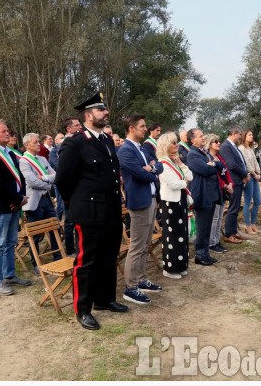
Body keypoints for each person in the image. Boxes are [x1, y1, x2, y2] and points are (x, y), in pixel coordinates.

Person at [55, 92, 129, 330]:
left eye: (105, 110)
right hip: (88, 212)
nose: (106, 113)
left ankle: (105, 299)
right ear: (88, 115)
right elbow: (63, 180)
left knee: (108, 257)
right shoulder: (74, 142)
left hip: (110, 209)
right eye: (101, 110)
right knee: (86, 262)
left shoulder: (106, 140)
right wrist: (76, 204)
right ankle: (83, 309)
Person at [0, 120, 32, 295]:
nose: (7, 133)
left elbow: (20, 177)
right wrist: (17, 198)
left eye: (7, 131)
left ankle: (10, 275)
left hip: (14, 204)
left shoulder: (10, 153)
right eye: (3, 131)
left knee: (11, 242)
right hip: (1, 205)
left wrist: (21, 197)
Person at [119, 114, 164, 305]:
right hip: (139, 202)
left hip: (151, 199)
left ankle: (141, 279)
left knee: (145, 244)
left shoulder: (141, 148)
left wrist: (151, 168)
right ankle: (130, 288)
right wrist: (151, 170)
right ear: (131, 128)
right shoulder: (125, 150)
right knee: (137, 247)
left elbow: (159, 165)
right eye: (142, 126)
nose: (145, 129)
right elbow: (140, 174)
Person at [19, 132, 61, 275]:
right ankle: (36, 263)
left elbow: (55, 175)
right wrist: (47, 182)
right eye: (35, 142)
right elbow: (31, 181)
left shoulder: (43, 159)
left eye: (38, 141)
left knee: (55, 228)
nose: (39, 144)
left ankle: (58, 257)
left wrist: (44, 177)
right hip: (34, 202)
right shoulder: (24, 161)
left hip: (47, 200)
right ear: (27, 145)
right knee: (35, 234)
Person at [157, 131, 192, 279]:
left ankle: (181, 265)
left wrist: (180, 163)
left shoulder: (174, 162)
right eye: (173, 142)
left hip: (180, 201)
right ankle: (170, 268)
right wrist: (185, 182)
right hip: (170, 203)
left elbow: (190, 175)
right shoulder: (162, 163)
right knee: (172, 236)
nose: (177, 144)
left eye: (177, 142)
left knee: (182, 235)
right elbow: (173, 184)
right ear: (166, 144)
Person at [186, 128, 223, 266]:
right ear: (193, 140)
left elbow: (219, 165)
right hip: (202, 195)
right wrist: (213, 166)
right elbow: (204, 170)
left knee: (207, 227)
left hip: (211, 195)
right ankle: (200, 255)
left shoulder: (205, 152)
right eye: (201, 136)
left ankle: (205, 252)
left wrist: (213, 164)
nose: (204, 137)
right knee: (202, 227)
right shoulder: (192, 155)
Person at [49, 116, 82, 257]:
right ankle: (70, 250)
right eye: (77, 125)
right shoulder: (58, 148)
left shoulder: (81, 142)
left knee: (80, 221)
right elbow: (59, 169)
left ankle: (80, 248)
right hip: (68, 189)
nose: (80, 127)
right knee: (69, 222)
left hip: (81, 189)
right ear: (69, 128)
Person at [218, 126, 249, 243]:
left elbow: (240, 161)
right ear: (234, 133)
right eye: (240, 134)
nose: (240, 136)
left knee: (236, 207)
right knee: (233, 208)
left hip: (238, 179)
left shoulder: (233, 146)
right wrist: (245, 173)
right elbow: (231, 164)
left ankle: (234, 231)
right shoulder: (226, 146)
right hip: (234, 180)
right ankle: (228, 234)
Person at [205, 134, 232, 254]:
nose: (218, 143)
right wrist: (225, 185)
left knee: (220, 217)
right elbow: (214, 176)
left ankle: (216, 240)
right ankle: (211, 243)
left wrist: (230, 183)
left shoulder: (219, 158)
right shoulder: (208, 158)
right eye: (215, 141)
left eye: (219, 141)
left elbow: (226, 172)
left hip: (223, 191)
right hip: (215, 191)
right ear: (209, 144)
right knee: (214, 218)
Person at [238, 130, 261, 234]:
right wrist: (254, 173)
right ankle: (247, 226)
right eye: (249, 135)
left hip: (255, 176)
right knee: (248, 201)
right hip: (248, 176)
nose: (252, 136)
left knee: (257, 200)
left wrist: (259, 171)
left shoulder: (251, 149)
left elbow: (255, 161)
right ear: (244, 136)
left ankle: (253, 224)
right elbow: (246, 163)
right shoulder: (241, 148)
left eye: (252, 134)